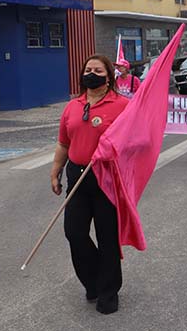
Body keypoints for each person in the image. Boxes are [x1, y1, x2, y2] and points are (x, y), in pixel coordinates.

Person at [50, 55, 128, 314]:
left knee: (107, 238)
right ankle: (94, 281)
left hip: (107, 177)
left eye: (98, 70)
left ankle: (108, 292)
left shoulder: (123, 105)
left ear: (109, 76)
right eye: (88, 69)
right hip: (77, 175)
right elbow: (64, 143)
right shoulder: (73, 106)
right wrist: (55, 171)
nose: (91, 74)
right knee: (74, 233)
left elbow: (136, 140)